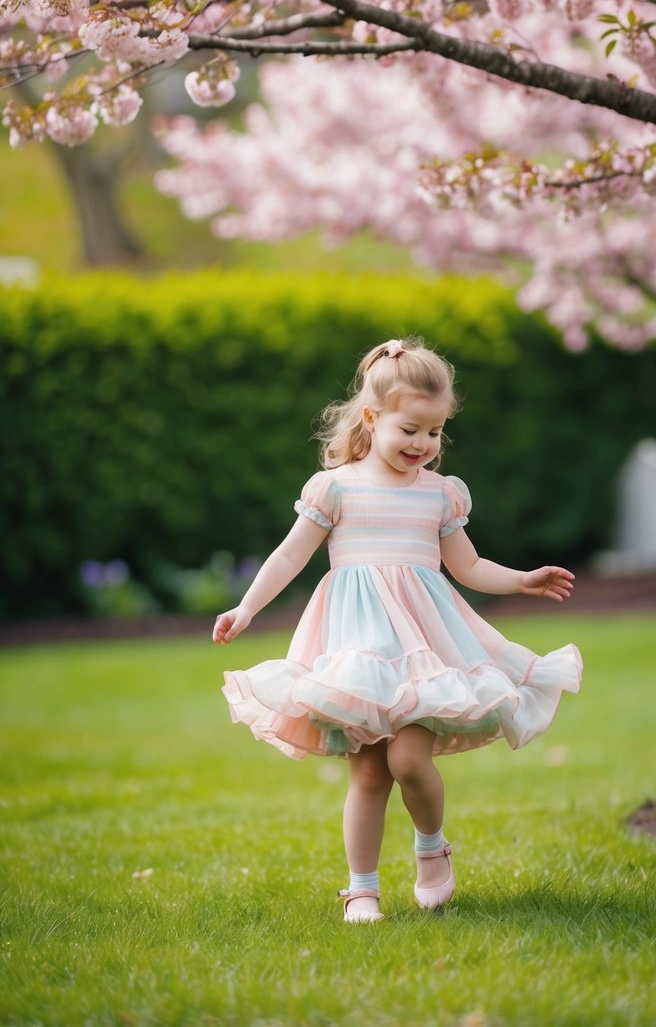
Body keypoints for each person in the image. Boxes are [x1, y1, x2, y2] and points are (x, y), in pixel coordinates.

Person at [213, 337, 582, 922]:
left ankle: (431, 846)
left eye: (434, 433)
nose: (423, 445)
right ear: (372, 417)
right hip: (358, 651)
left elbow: (468, 567)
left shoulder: (439, 493)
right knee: (367, 771)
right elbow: (288, 557)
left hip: (425, 650)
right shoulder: (336, 488)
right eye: (410, 429)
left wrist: (521, 580)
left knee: (409, 761)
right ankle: (361, 887)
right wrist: (247, 609)